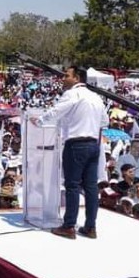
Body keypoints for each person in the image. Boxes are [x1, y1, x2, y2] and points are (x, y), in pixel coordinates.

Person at [31, 66, 108, 240]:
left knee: (72, 186)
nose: (63, 78)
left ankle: (69, 226)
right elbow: (105, 121)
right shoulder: (96, 97)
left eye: (67, 75)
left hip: (76, 144)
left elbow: (57, 110)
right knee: (90, 187)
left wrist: (40, 120)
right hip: (93, 145)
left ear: (77, 78)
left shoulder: (72, 94)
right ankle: (90, 227)